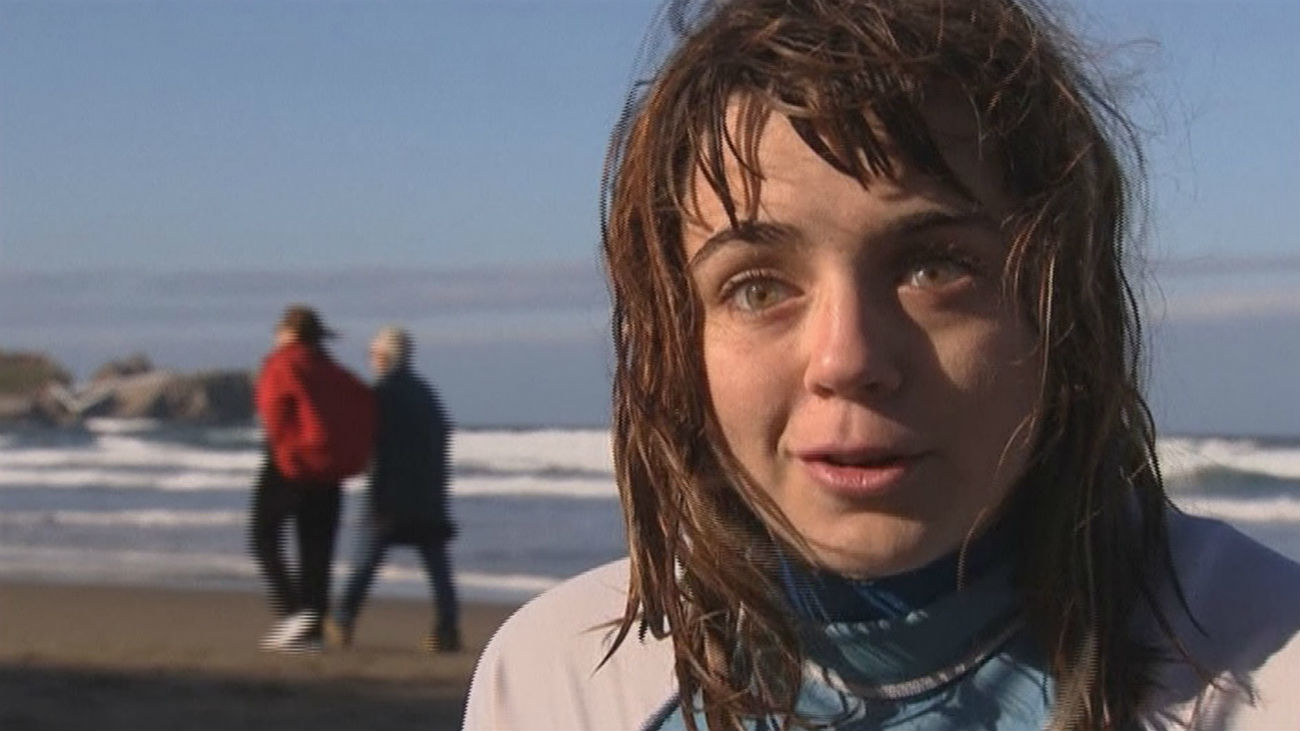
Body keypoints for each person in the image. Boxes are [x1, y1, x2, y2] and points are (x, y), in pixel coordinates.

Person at [464, 0, 1300, 729]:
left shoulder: (1266, 666)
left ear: (1063, 308)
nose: (848, 358)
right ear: (679, 337)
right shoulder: (563, 686)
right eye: (757, 287)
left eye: (936, 267)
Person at [325, 326, 461, 652]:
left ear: (384, 357)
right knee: (437, 568)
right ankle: (447, 628)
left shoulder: (381, 394)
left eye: (373, 355)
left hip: (388, 496)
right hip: (428, 496)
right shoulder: (426, 394)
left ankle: (342, 621)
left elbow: (368, 441)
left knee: (364, 562)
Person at [250, 304, 375, 652]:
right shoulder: (335, 371)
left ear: (289, 332)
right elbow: (366, 403)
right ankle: (313, 628)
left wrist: (284, 448)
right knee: (317, 553)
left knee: (264, 541)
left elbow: (272, 411)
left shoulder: (284, 363)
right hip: (329, 473)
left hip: (289, 466)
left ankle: (295, 615)